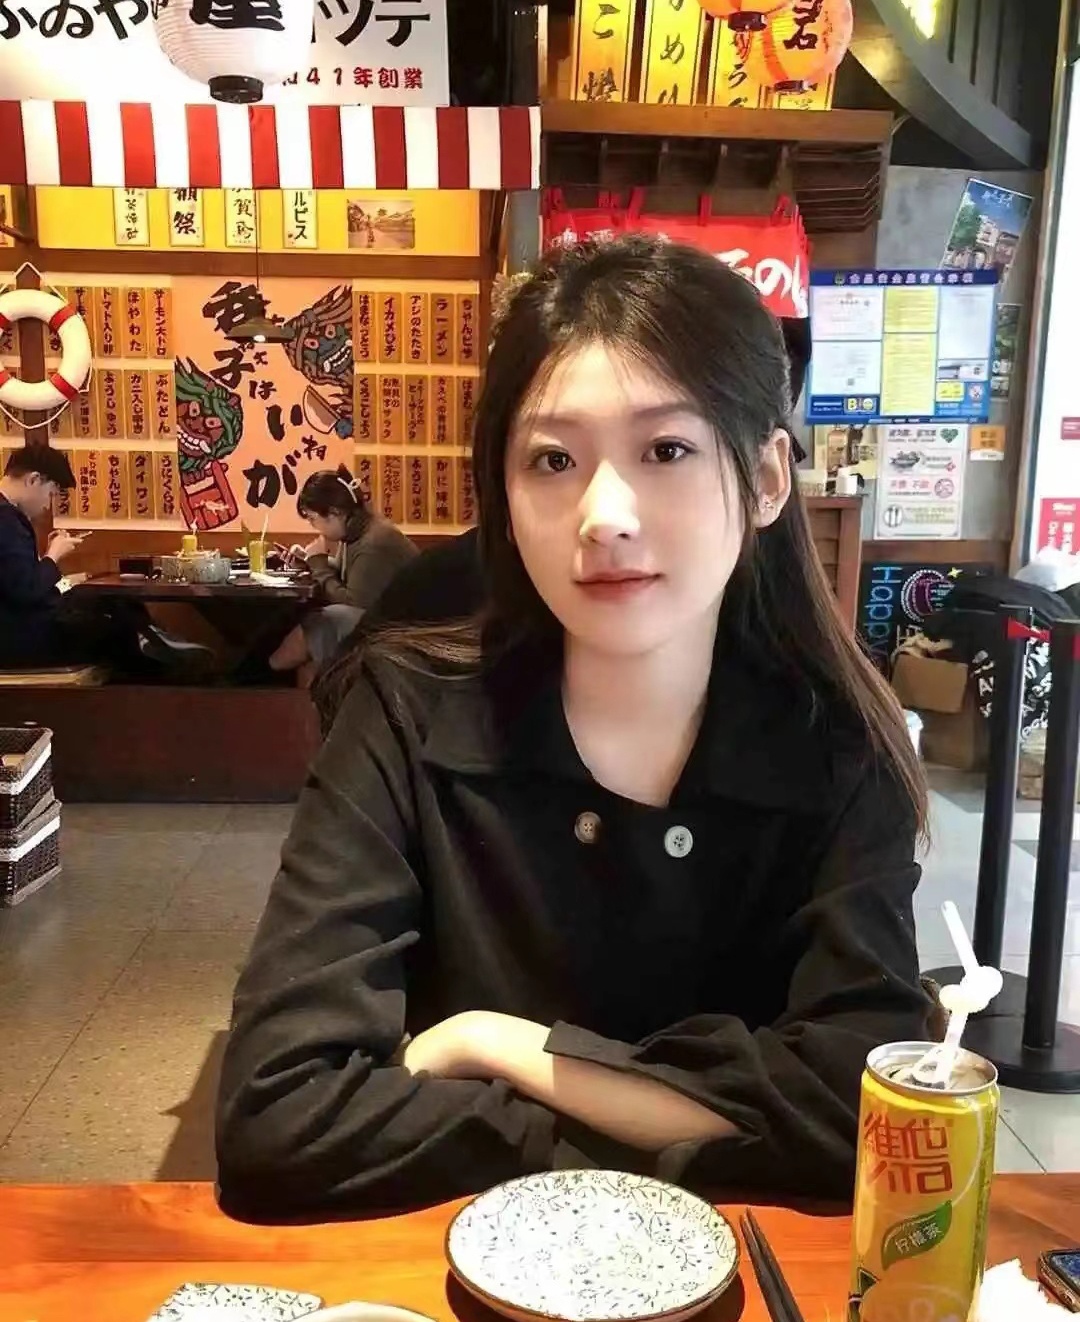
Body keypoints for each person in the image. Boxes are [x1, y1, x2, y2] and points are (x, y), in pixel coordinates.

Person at [217, 237, 930, 1220]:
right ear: (505, 502)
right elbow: (278, 1116)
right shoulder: (404, 712)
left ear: (767, 478)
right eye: (553, 459)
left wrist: (500, 1047)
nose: (604, 515)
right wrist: (685, 1124)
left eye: (665, 450)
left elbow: (871, 1109)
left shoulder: (842, 749)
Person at [0, 446, 205, 675]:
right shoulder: (6, 519)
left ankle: (158, 644)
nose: (47, 505)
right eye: (51, 494)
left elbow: (17, 581)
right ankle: (164, 662)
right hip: (22, 640)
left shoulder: (8, 517)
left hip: (21, 628)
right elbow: (26, 590)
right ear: (34, 480)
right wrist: (53, 555)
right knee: (118, 629)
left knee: (116, 604)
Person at [268, 466, 417, 677]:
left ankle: (263, 671)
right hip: (383, 621)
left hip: (400, 630)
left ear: (334, 513)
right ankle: (264, 673)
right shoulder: (355, 532)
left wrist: (319, 565)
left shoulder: (374, 542)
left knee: (326, 619)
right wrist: (309, 563)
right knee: (309, 650)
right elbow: (345, 574)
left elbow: (351, 602)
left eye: (313, 519)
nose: (313, 526)